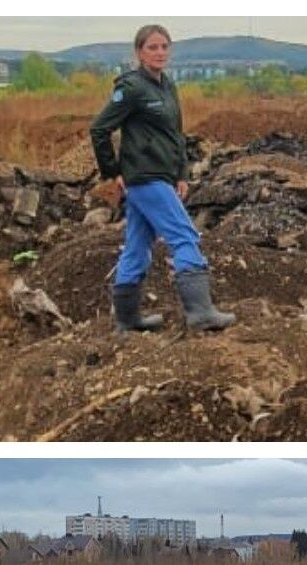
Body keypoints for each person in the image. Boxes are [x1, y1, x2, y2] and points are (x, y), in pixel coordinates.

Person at [89, 24, 236, 334]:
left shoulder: (168, 86)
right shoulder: (130, 88)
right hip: (143, 177)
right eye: (152, 47)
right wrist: (113, 171)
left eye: (164, 47)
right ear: (139, 52)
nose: (159, 53)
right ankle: (201, 312)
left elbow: (175, 134)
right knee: (184, 235)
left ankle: (127, 320)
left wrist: (180, 173)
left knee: (137, 244)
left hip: (163, 176)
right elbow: (99, 129)